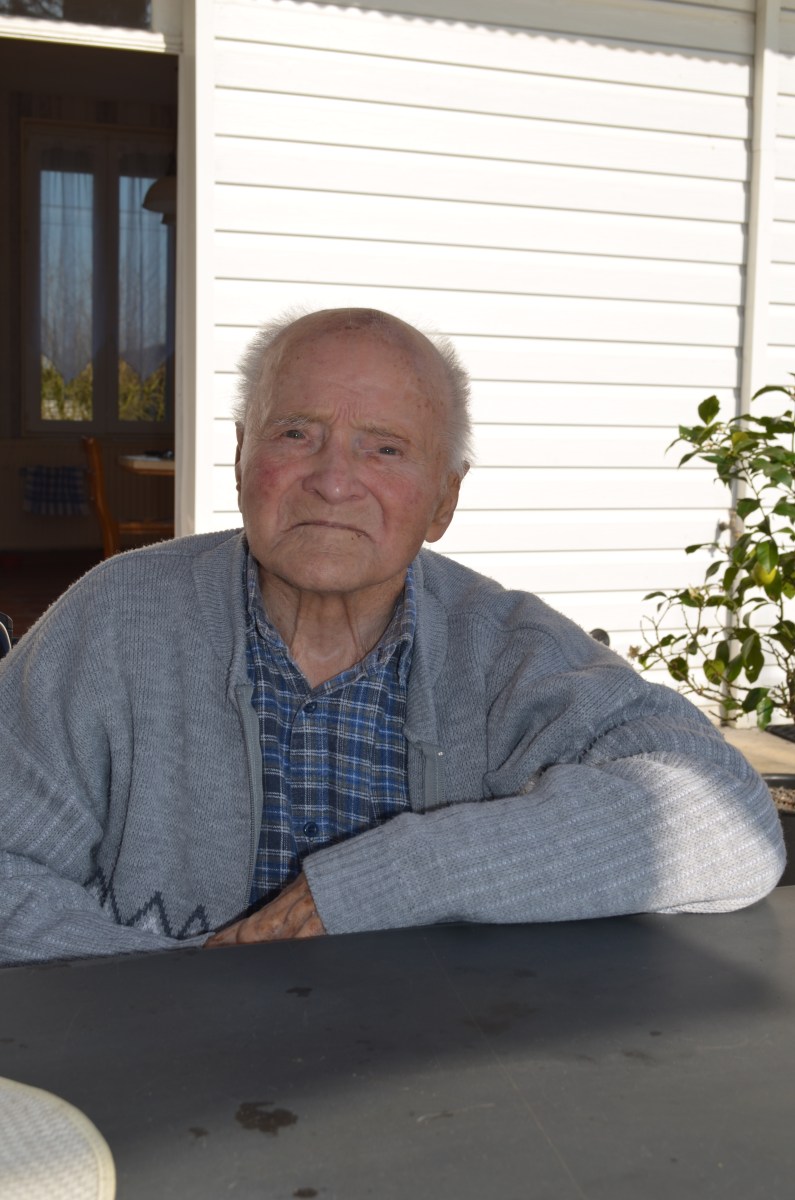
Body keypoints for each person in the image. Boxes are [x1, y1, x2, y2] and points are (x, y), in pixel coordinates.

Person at [0, 308, 784, 964]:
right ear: (241, 456)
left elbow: (727, 822)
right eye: (295, 433)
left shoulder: (506, 650)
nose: (332, 480)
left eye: (384, 448)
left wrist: (384, 880)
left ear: (443, 500)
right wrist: (172, 989)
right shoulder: (116, 619)